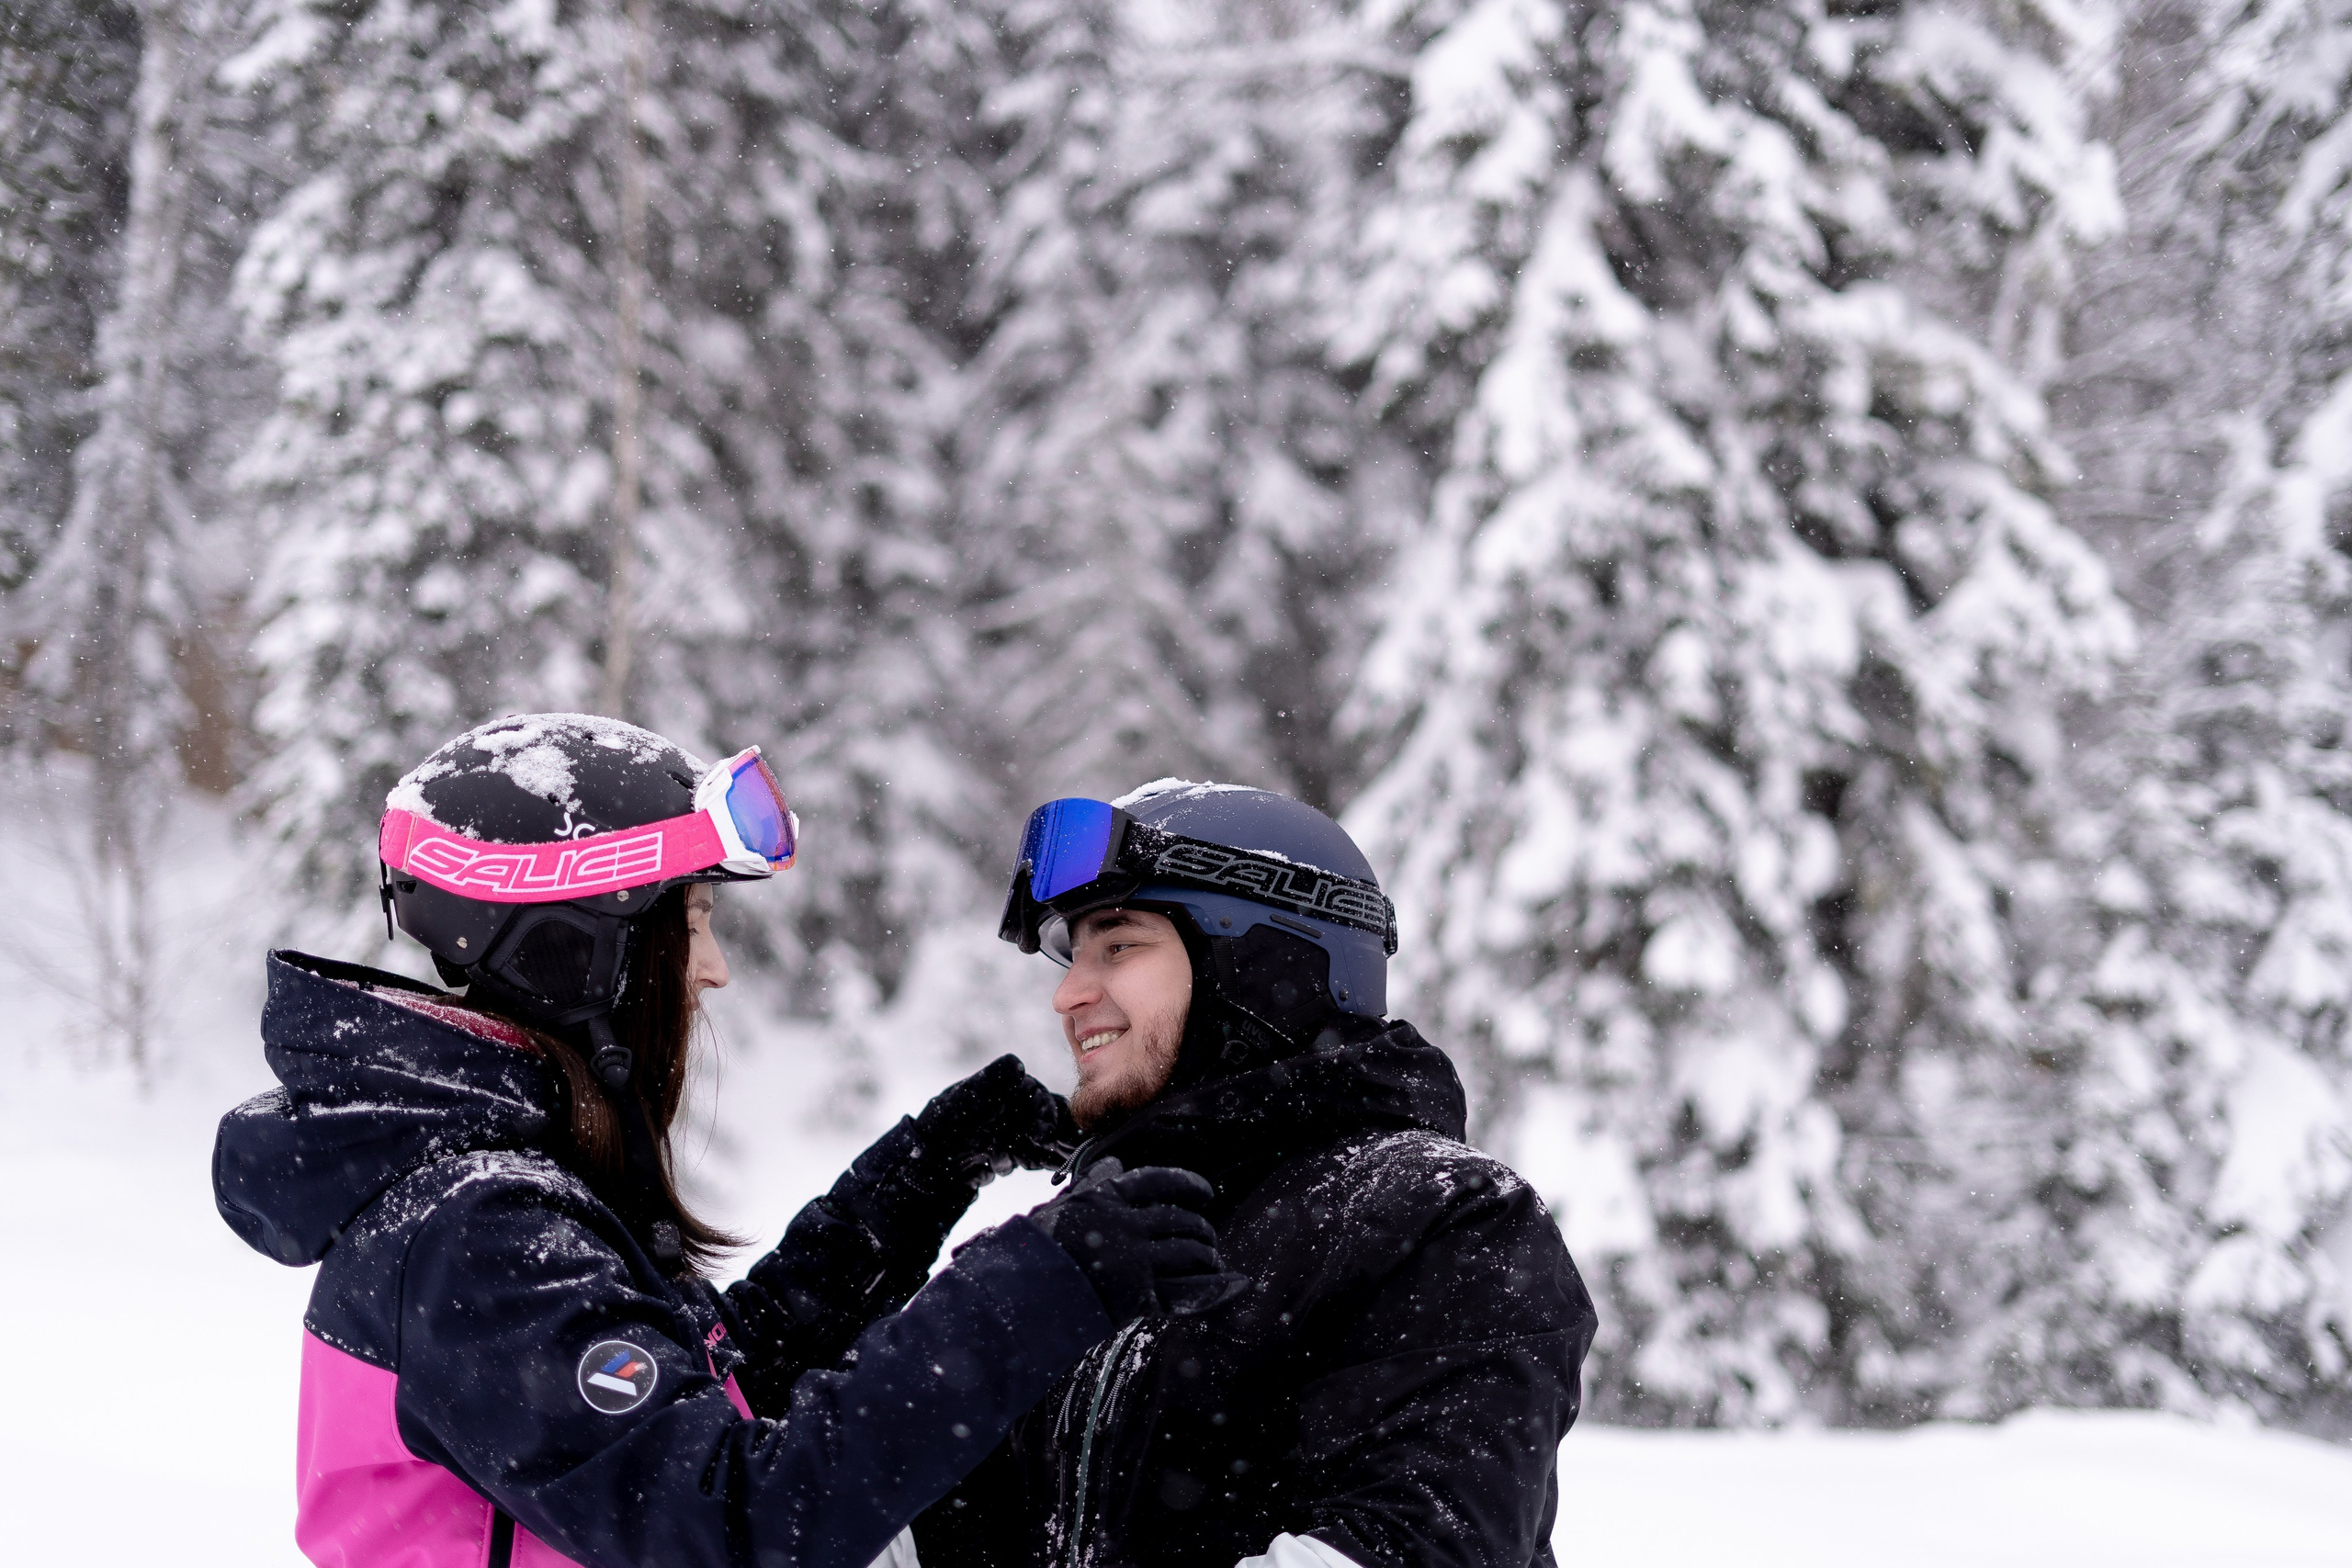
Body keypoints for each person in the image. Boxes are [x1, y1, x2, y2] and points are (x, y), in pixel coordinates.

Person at [214, 715, 1242, 1568]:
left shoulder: (496, 1196)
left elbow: (720, 1389)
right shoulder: (478, 1234)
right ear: (581, 949)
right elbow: (734, 1522)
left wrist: (926, 1170)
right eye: (694, 922)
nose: (712, 969)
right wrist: (1036, 1286)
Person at [912, 781, 1600, 1568]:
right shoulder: (1106, 1235)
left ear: (1258, 961)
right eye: (1074, 954)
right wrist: (898, 1201)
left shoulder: (1443, 1217)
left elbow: (1406, 1547)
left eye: (1119, 944)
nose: (1068, 994)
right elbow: (909, 1517)